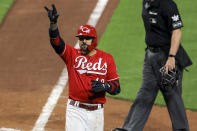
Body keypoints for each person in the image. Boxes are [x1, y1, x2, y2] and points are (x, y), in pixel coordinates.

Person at [113, 0, 192, 131]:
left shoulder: (168, 5)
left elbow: (177, 31)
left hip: (166, 56)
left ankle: (182, 129)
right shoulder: (146, 2)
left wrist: (171, 57)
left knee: (172, 95)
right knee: (145, 93)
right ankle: (130, 128)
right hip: (150, 55)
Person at [44, 4, 120, 131]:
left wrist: (105, 86)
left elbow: (116, 87)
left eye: (87, 38)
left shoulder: (107, 58)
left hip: (97, 113)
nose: (83, 41)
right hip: (76, 111)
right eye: (81, 38)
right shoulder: (72, 55)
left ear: (94, 40)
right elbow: (56, 42)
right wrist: (53, 23)